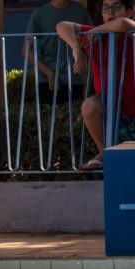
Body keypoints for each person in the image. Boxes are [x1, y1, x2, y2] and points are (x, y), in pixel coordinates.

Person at [57, 1, 135, 170]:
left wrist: (94, 31)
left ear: (129, 11)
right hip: (111, 112)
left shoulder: (130, 31)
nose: (110, 12)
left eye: (116, 7)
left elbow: (123, 24)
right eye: (106, 8)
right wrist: (76, 46)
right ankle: (106, 153)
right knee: (89, 106)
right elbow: (62, 26)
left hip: (133, 111)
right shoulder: (98, 36)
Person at [22, 0, 93, 103]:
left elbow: (91, 45)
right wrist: (49, 73)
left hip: (76, 78)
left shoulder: (80, 10)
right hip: (48, 82)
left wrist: (88, 80)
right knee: (48, 118)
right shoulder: (39, 14)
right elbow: (26, 50)